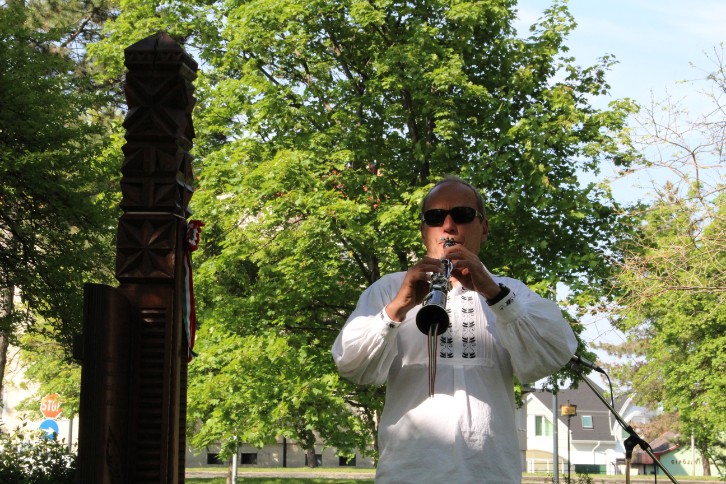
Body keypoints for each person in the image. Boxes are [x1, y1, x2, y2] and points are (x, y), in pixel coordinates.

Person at [332, 175, 578, 483]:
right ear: (424, 230)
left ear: (484, 227)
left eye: (462, 215)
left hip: (489, 474)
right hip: (408, 474)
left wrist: (494, 294)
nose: (448, 226)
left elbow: (555, 352)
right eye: (435, 217)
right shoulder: (389, 289)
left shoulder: (511, 291)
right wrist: (397, 308)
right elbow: (352, 366)